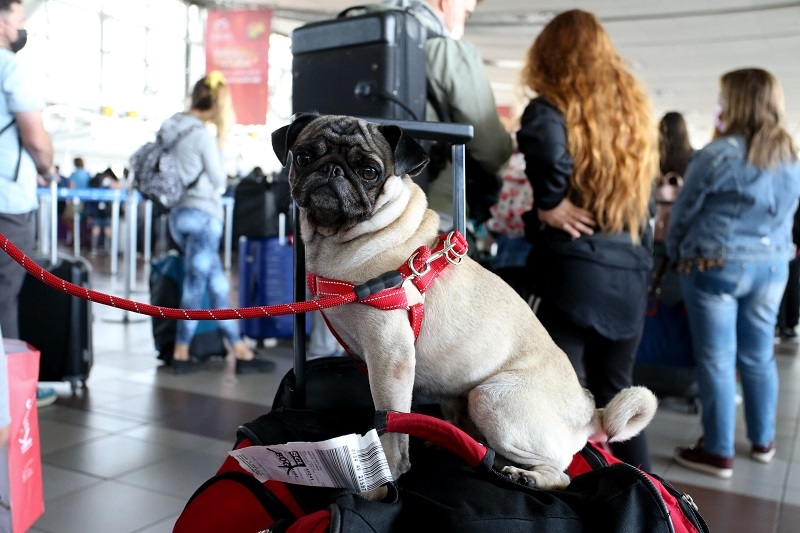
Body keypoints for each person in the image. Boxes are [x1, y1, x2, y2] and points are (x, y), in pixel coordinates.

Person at [516, 9, 658, 470]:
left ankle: (558, 507)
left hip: (572, 273)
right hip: (629, 277)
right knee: (621, 403)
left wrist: (551, 201)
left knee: (554, 394)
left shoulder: (549, 106)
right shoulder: (633, 117)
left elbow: (547, 145)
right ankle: (647, 502)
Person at [667, 68, 800, 478]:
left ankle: (718, 451)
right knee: (760, 356)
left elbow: (684, 212)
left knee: (718, 358)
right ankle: (763, 443)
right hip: (774, 266)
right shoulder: (791, 156)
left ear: (736, 102)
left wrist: (673, 251)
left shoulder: (717, 153)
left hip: (715, 264)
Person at [163, 71, 274, 375]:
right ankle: (181, 351)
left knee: (217, 284)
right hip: (203, 216)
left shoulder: (170, 128)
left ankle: (239, 349)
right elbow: (218, 180)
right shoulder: (200, 135)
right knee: (195, 284)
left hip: (178, 216)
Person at [393, 0, 514, 226]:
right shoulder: (446, 51)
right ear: (447, 3)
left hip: (352, 205)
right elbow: (493, 150)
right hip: (428, 209)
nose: (463, 25)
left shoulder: (352, 31)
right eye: (465, 14)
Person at [0, 0, 58, 407]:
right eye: (19, 19)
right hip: (7, 201)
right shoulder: (10, 66)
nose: (22, 28)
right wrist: (48, 167)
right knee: (4, 293)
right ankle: (9, 390)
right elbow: (35, 139)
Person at [776, 206, 800, 340]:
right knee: (791, 284)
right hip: (793, 246)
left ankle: (782, 324)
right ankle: (789, 325)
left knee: (786, 286)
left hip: (784, 245)